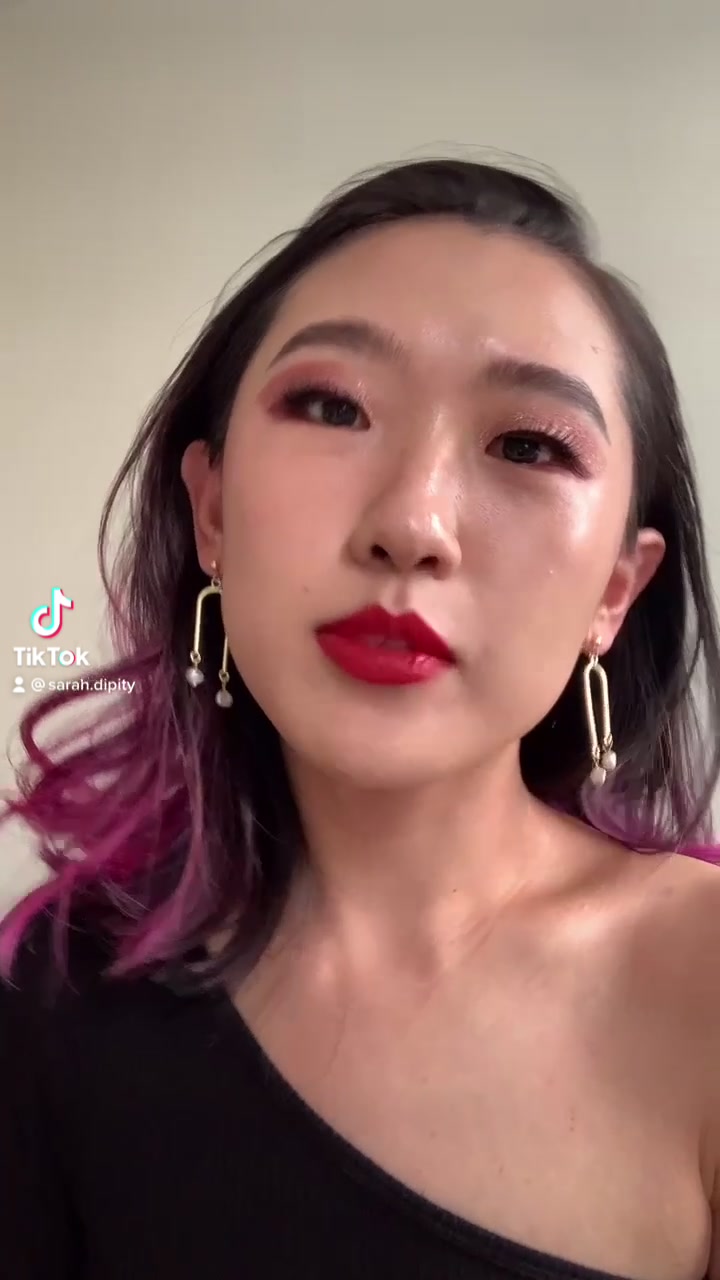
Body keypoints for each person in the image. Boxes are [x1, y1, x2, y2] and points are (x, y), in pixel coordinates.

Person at [2, 157, 720, 1280]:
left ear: (616, 592)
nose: (412, 523)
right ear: (212, 510)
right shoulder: (58, 999)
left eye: (529, 445)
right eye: (333, 406)